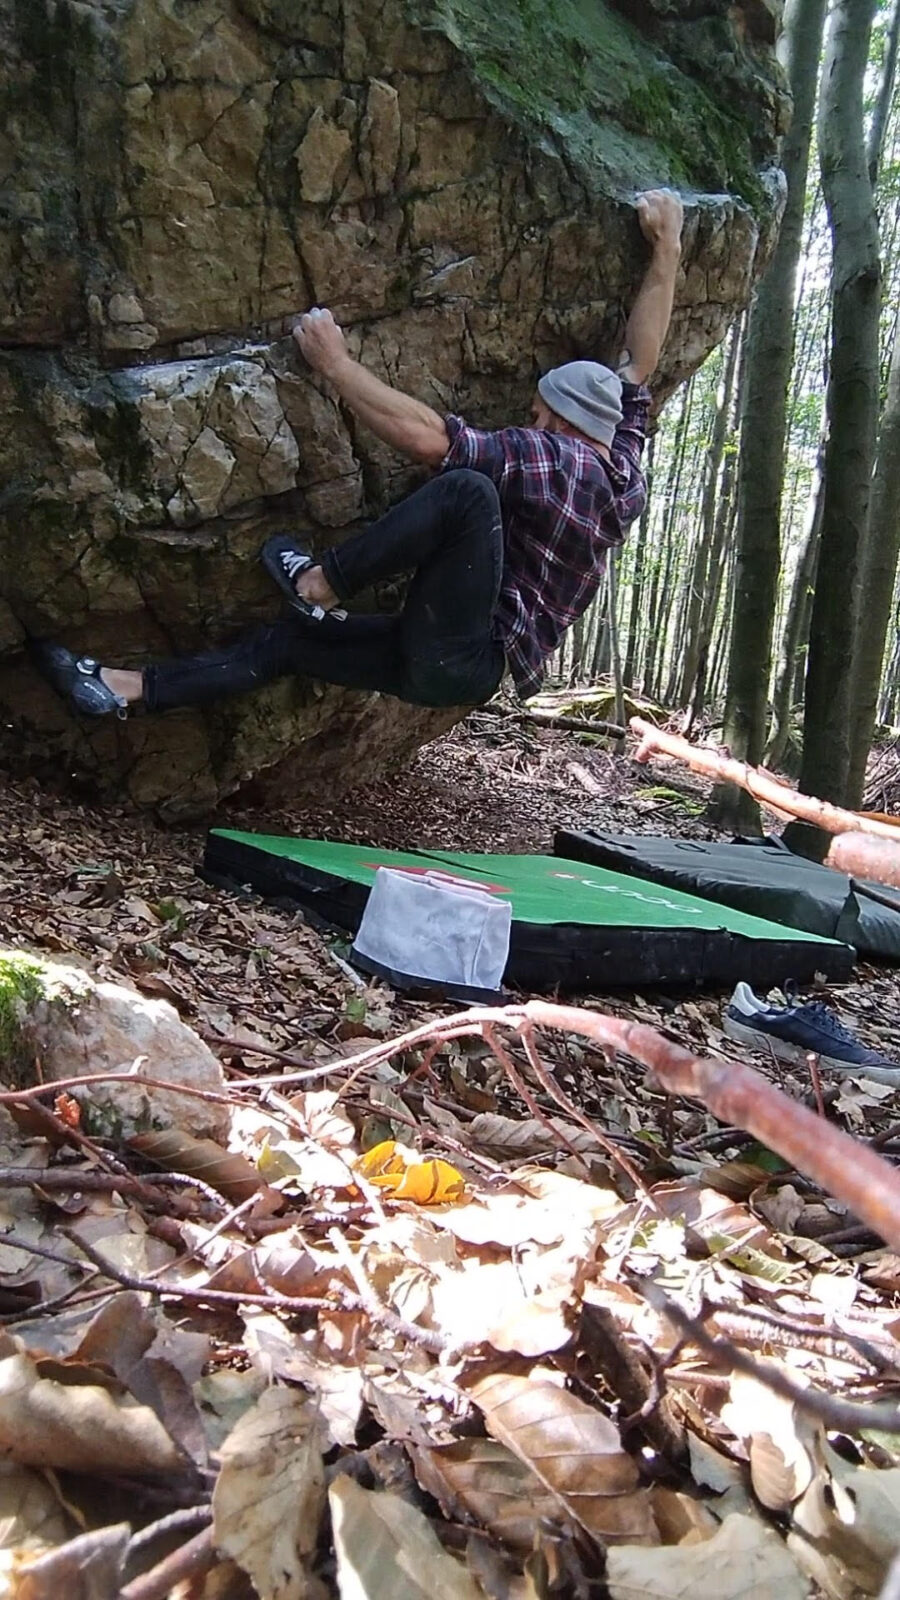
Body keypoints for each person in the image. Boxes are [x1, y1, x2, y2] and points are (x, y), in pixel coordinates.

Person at [34, 189, 683, 719]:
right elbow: (639, 361)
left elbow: (437, 442)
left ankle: (318, 583)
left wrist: (337, 366)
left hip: (462, 647)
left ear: (566, 424)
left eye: (539, 412)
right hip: (459, 670)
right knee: (289, 643)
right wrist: (667, 247)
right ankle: (119, 689)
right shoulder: (621, 466)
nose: (529, 419)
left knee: (467, 490)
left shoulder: (558, 461)